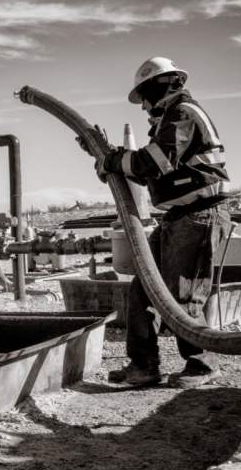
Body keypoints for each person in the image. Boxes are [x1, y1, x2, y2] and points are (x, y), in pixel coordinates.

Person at [96, 56, 232, 388]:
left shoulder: (184, 114)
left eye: (143, 95)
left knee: (184, 293)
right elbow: (150, 173)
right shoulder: (169, 121)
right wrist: (113, 163)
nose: (142, 105)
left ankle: (202, 364)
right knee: (143, 290)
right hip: (179, 217)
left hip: (201, 215)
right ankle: (143, 366)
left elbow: (150, 163)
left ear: (159, 86)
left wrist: (115, 160)